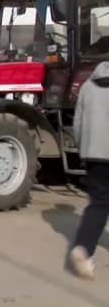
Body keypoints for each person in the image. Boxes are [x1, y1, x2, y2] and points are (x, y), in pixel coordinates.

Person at [69, 61, 109, 279]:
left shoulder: (87, 86)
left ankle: (83, 248)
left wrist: (83, 148)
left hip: (93, 153)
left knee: (99, 204)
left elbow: (78, 123)